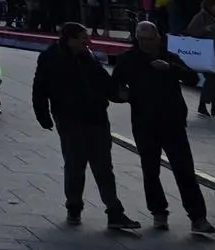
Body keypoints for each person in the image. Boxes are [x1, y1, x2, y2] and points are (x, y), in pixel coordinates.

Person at [32, 22, 140, 231]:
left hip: (96, 116)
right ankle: (74, 206)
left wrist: (119, 94)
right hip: (69, 118)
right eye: (82, 38)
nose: (87, 41)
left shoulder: (88, 57)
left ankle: (114, 211)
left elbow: (103, 81)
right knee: (75, 165)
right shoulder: (51, 58)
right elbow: (40, 88)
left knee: (104, 167)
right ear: (70, 39)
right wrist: (43, 115)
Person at [112, 22, 215, 234]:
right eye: (141, 39)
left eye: (149, 39)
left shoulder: (169, 57)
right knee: (150, 170)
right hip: (144, 122)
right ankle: (158, 211)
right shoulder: (127, 59)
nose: (145, 43)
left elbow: (193, 78)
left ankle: (198, 217)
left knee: (184, 169)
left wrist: (170, 69)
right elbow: (115, 86)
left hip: (172, 121)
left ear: (158, 38)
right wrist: (122, 95)